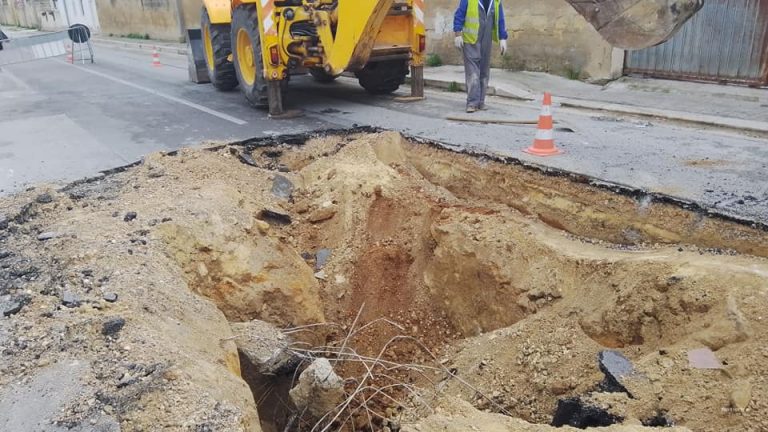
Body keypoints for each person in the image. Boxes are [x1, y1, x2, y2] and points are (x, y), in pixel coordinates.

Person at [453, 0, 508, 113]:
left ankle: (481, 102)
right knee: (473, 73)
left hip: (486, 41)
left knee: (484, 72)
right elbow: (460, 14)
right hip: (470, 41)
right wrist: (458, 33)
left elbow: (500, 20)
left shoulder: (496, 1)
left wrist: (503, 38)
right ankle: (472, 103)